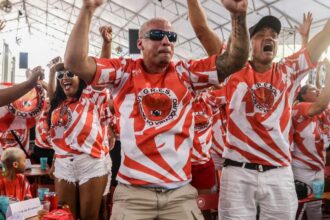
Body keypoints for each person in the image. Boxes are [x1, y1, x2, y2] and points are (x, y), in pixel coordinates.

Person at [64, 0, 249, 219]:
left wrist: (238, 17)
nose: (165, 41)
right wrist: (87, 10)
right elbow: (75, 62)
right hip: (133, 195)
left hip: (179, 193)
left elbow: (235, 61)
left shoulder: (186, 72)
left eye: (171, 37)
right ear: (140, 43)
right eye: (156, 36)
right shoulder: (123, 72)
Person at [215, 11, 330, 219]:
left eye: (274, 35)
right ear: (249, 44)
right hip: (238, 173)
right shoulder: (233, 73)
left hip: (279, 173)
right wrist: (236, 16)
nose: (269, 37)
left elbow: (317, 46)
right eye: (261, 34)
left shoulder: (287, 71)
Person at [46, 61, 111, 220]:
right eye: (61, 76)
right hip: (63, 165)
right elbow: (61, 140)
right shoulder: (58, 105)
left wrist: (106, 42)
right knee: (66, 217)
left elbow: (101, 74)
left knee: (89, 217)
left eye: (70, 74)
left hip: (90, 163)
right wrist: (53, 72)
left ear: (81, 78)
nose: (64, 78)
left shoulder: (91, 96)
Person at [291, 59, 330, 220]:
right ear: (304, 94)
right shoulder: (299, 108)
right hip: (301, 171)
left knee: (315, 205)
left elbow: (324, 97)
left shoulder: (322, 113)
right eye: (313, 90)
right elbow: (321, 102)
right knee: (299, 207)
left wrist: (325, 71)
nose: (317, 91)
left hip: (318, 171)